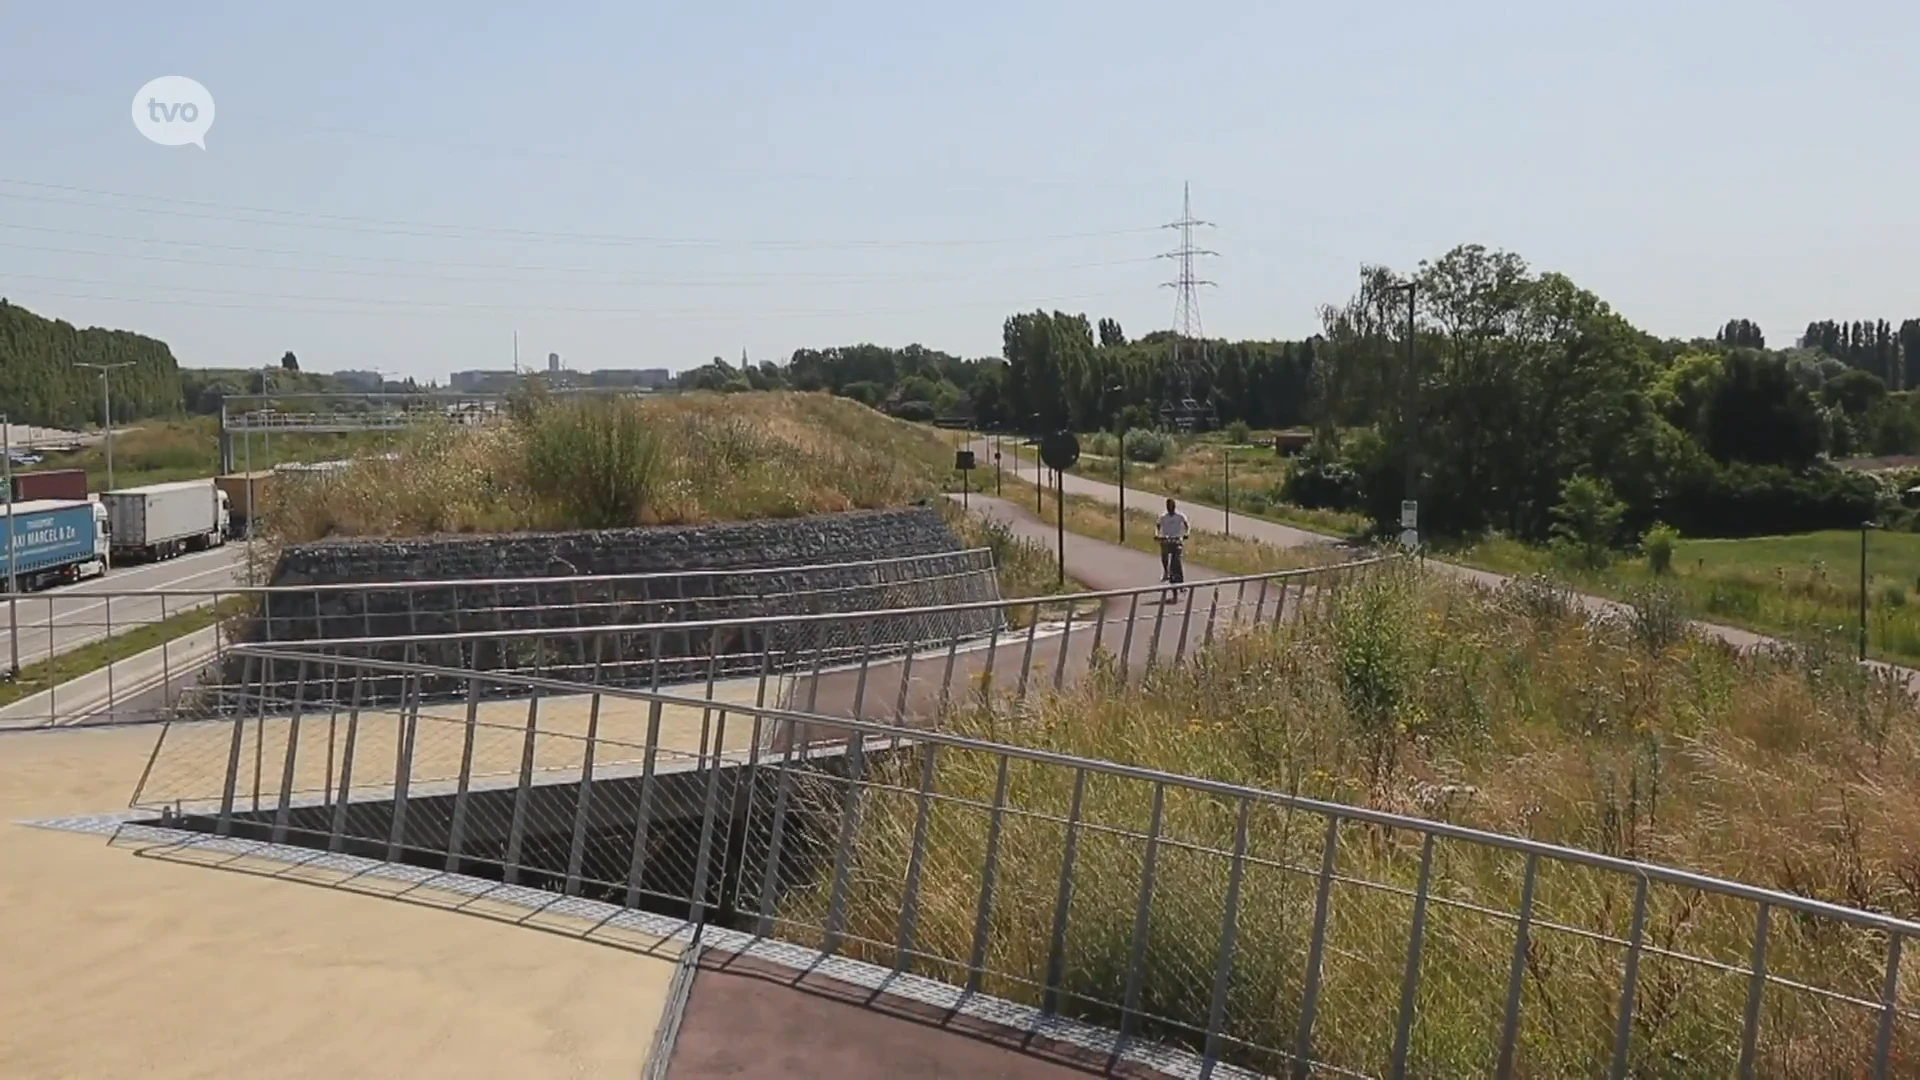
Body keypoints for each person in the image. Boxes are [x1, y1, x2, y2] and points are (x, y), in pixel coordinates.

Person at [1156, 497, 1189, 582]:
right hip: (1166, 539)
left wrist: (1186, 534)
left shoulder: (1180, 516)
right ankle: (1166, 571)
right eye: (1168, 506)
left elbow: (1187, 525)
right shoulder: (1163, 517)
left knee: (1177, 558)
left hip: (1177, 539)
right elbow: (1158, 525)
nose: (1170, 508)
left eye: (1172, 506)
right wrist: (1157, 534)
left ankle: (1179, 576)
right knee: (1164, 554)